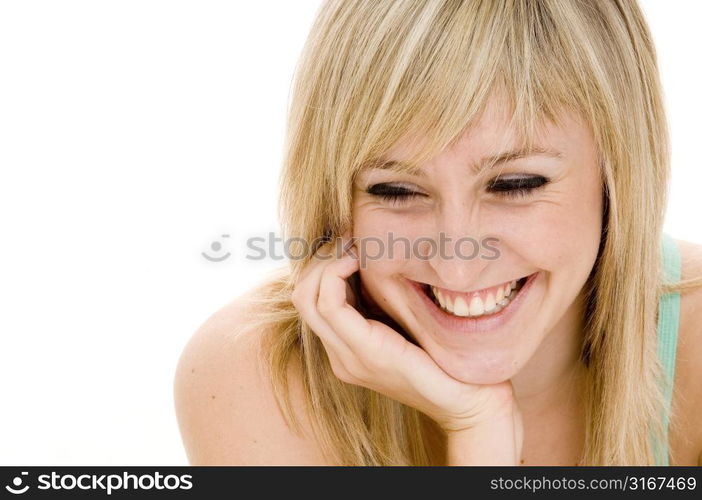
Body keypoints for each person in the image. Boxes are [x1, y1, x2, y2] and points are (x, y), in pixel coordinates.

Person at [174, 0, 702, 465]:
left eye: (514, 184)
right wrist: (478, 429)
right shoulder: (251, 376)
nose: (457, 265)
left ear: (618, 175)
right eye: (395, 191)